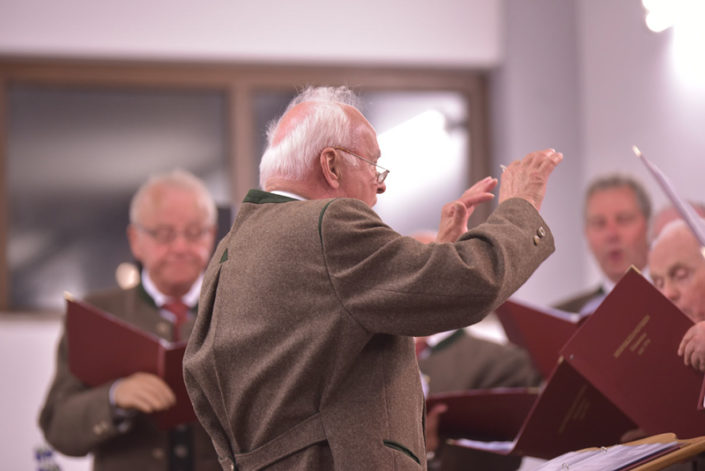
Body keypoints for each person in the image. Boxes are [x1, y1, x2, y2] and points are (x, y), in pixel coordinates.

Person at [183, 86, 562, 471]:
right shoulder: (328, 223)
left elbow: (211, 375)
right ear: (330, 165)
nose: (380, 185)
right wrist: (520, 208)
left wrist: (433, 261)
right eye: (372, 164)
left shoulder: (232, 249)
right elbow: (474, 281)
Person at [39, 169, 221, 471]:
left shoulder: (238, 309)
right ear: (136, 240)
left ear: (212, 235)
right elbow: (57, 425)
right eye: (164, 234)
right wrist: (113, 398)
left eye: (194, 232)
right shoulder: (96, 314)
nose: (180, 247)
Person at [412, 231, 541, 471]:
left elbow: (504, 456)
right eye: (409, 271)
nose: (418, 282)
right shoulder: (371, 360)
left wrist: (429, 452)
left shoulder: (502, 362)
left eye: (433, 270)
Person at [555, 174, 651, 314]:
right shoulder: (565, 317)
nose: (611, 234)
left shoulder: (680, 301)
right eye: (599, 223)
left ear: (647, 225)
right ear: (586, 233)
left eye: (623, 220)